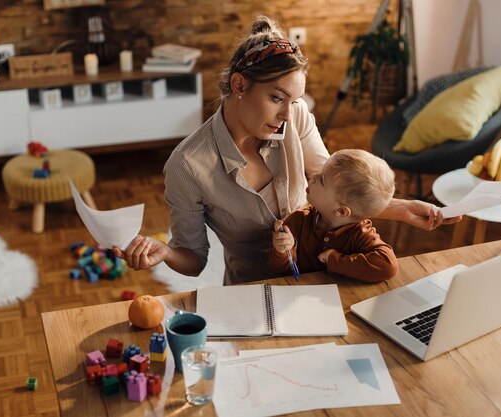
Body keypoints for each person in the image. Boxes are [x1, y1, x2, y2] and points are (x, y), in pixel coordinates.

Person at [113, 15, 459, 285]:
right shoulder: (187, 166)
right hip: (253, 290)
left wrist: (400, 209)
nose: (286, 114)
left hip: (319, 280)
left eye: (293, 101)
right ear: (239, 85)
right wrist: (166, 253)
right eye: (277, 98)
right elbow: (194, 260)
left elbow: (336, 185)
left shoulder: (295, 117)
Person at [268, 149, 398, 282]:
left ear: (341, 211)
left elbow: (388, 266)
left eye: (322, 180)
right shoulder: (297, 221)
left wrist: (334, 259)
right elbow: (279, 269)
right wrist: (283, 251)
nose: (313, 176)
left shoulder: (361, 233)